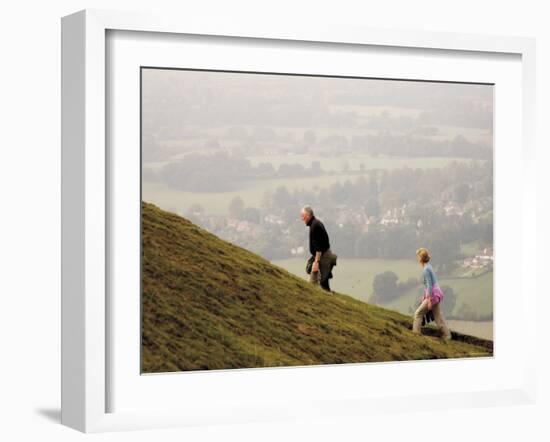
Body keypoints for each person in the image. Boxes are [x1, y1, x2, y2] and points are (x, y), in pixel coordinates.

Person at [412, 248, 452, 340]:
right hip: (437, 293)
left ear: (420, 258)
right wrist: (425, 296)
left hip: (433, 295)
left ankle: (415, 335)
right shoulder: (429, 266)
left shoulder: (426, 270)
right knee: (438, 317)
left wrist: (429, 300)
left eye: (418, 256)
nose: (417, 258)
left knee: (418, 313)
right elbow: (429, 285)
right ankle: (447, 336)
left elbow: (429, 286)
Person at [300, 206, 337, 292]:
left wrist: (316, 262)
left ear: (308, 216)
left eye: (303, 216)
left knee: (317, 280)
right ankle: (324, 291)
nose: (302, 219)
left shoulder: (314, 226)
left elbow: (319, 247)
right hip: (323, 254)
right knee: (309, 268)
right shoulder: (315, 223)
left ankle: (322, 294)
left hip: (323, 256)